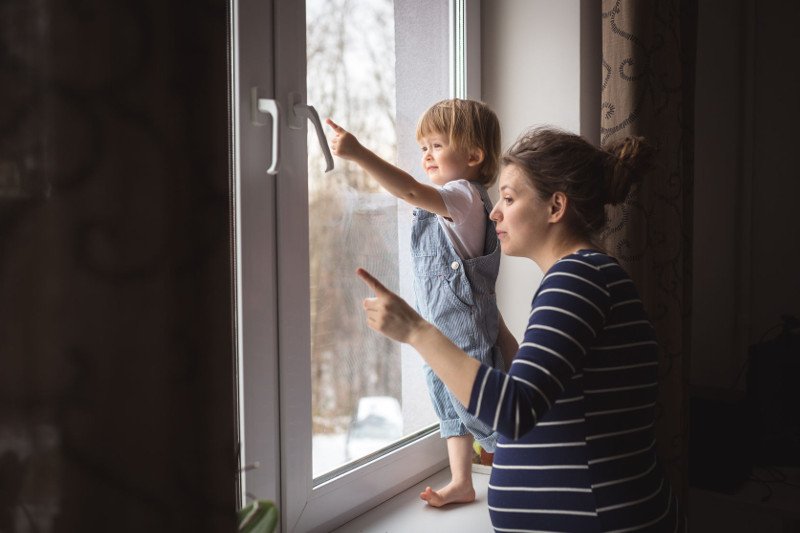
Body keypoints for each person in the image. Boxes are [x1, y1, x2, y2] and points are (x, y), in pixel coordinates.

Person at [355, 126, 685, 531]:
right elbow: (553, 392)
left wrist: (417, 331)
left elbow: (513, 410)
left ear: (555, 207)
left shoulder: (577, 281)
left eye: (509, 199)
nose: (494, 211)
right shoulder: (590, 276)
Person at [326, 99, 518, 508]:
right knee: (449, 407)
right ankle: (463, 480)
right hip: (438, 326)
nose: (426, 155)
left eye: (436, 145)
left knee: (484, 412)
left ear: (473, 156)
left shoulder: (464, 196)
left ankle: (520, 470)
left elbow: (410, 190)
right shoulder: (452, 201)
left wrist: (359, 153)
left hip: (462, 331)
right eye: (423, 147)